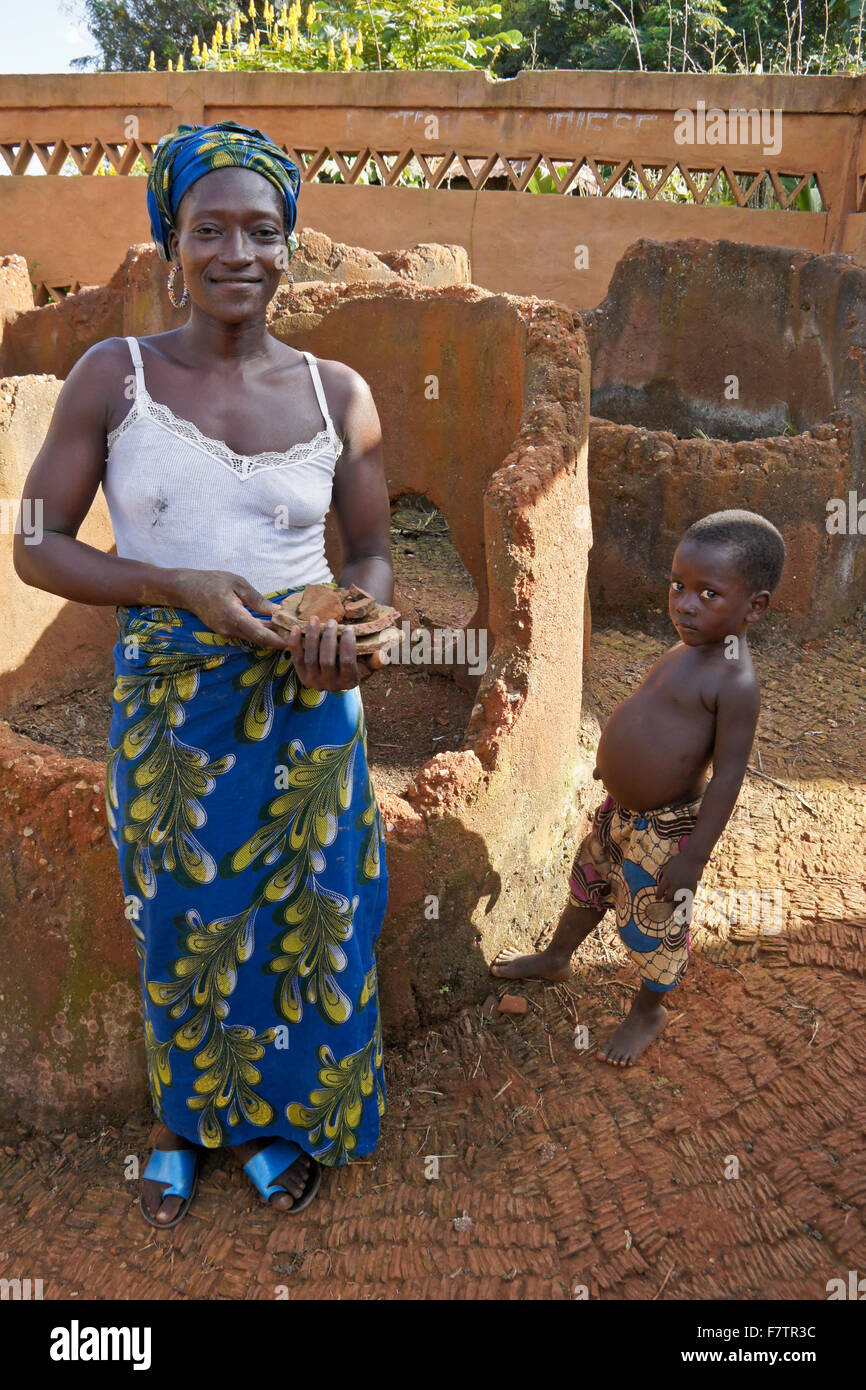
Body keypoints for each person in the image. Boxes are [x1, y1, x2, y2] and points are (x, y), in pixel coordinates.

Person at [13, 120, 394, 1226]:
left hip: (311, 694)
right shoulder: (113, 375)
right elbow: (36, 543)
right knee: (183, 908)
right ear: (169, 241)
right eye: (209, 228)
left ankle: (285, 1121)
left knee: (316, 907)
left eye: (263, 230)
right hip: (175, 697)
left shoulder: (337, 392)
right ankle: (183, 1123)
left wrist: (355, 617)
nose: (239, 252)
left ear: (292, 242)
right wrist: (175, 585)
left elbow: (370, 550)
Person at [491, 510, 786, 1066]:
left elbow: (727, 778)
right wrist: (615, 762)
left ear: (754, 606)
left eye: (708, 593)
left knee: (657, 927)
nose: (684, 603)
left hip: (668, 833)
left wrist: (694, 857)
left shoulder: (735, 681)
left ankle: (649, 1009)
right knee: (591, 885)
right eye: (678, 585)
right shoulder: (685, 647)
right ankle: (558, 957)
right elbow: (653, 717)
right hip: (618, 812)